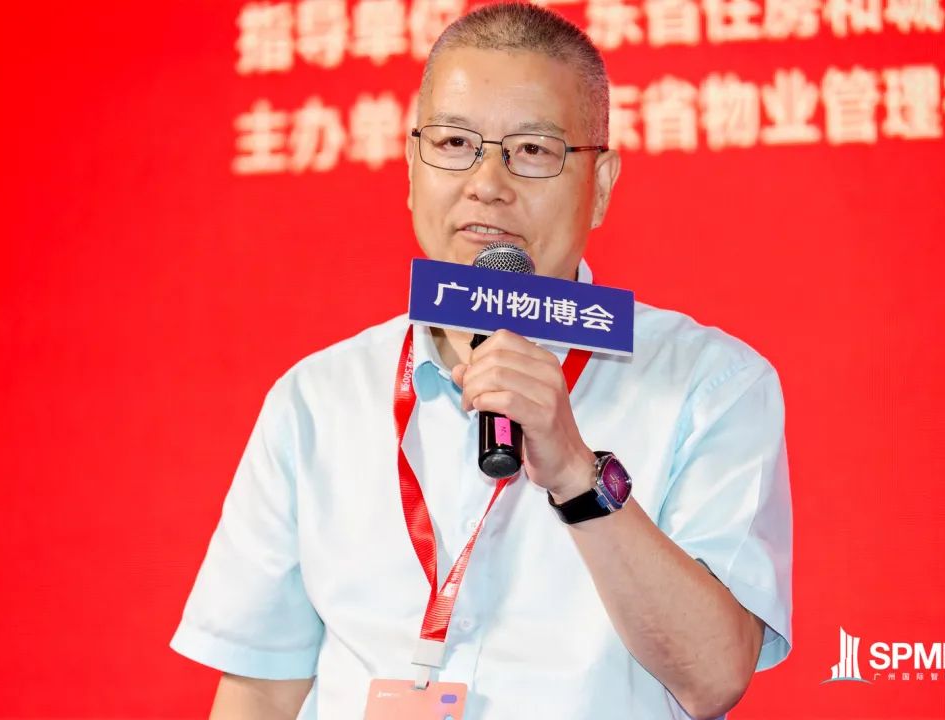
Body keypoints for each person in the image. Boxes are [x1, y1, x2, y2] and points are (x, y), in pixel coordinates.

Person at [170, 4, 792, 719]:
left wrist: (576, 474)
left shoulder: (709, 384)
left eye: (532, 150)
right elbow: (259, 690)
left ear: (601, 185)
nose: (488, 182)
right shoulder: (317, 397)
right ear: (412, 167)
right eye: (456, 142)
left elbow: (714, 677)